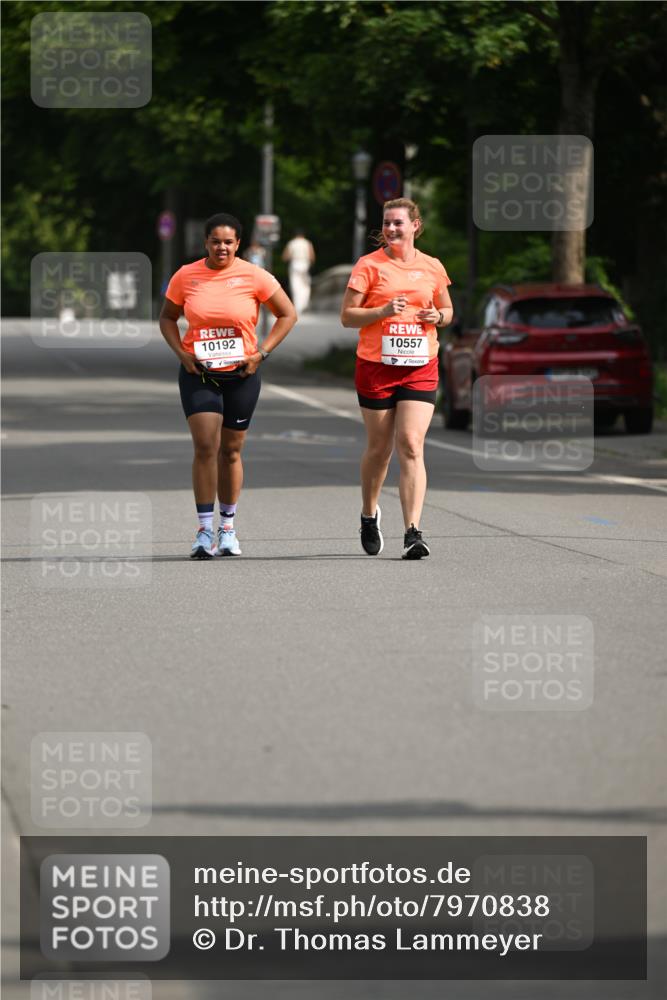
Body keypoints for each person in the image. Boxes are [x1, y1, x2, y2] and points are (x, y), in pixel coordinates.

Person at [159, 212, 297, 558]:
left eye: (228, 242)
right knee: (206, 446)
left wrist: (262, 353)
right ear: (205, 242)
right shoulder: (186, 276)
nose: (222, 247)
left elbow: (287, 314)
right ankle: (204, 531)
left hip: (242, 373)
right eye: (216, 241)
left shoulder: (254, 275)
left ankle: (228, 528)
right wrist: (181, 353)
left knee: (231, 451)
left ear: (238, 244)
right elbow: (167, 317)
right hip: (199, 371)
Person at [340, 198, 453, 559]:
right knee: (379, 448)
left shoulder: (432, 266)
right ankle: (369, 514)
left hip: (420, 364)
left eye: (398, 223)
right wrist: (383, 310)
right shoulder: (369, 266)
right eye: (387, 223)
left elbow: (447, 309)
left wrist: (439, 317)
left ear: (415, 226)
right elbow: (347, 316)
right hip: (377, 366)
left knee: (411, 443)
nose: (391, 229)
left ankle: (412, 532)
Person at [282, 229, 316, 313]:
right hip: (305, 263)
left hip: (295, 263)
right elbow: (312, 256)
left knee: (295, 285)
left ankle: (298, 306)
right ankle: (304, 304)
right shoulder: (307, 243)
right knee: (305, 285)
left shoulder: (292, 243)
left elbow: (285, 256)